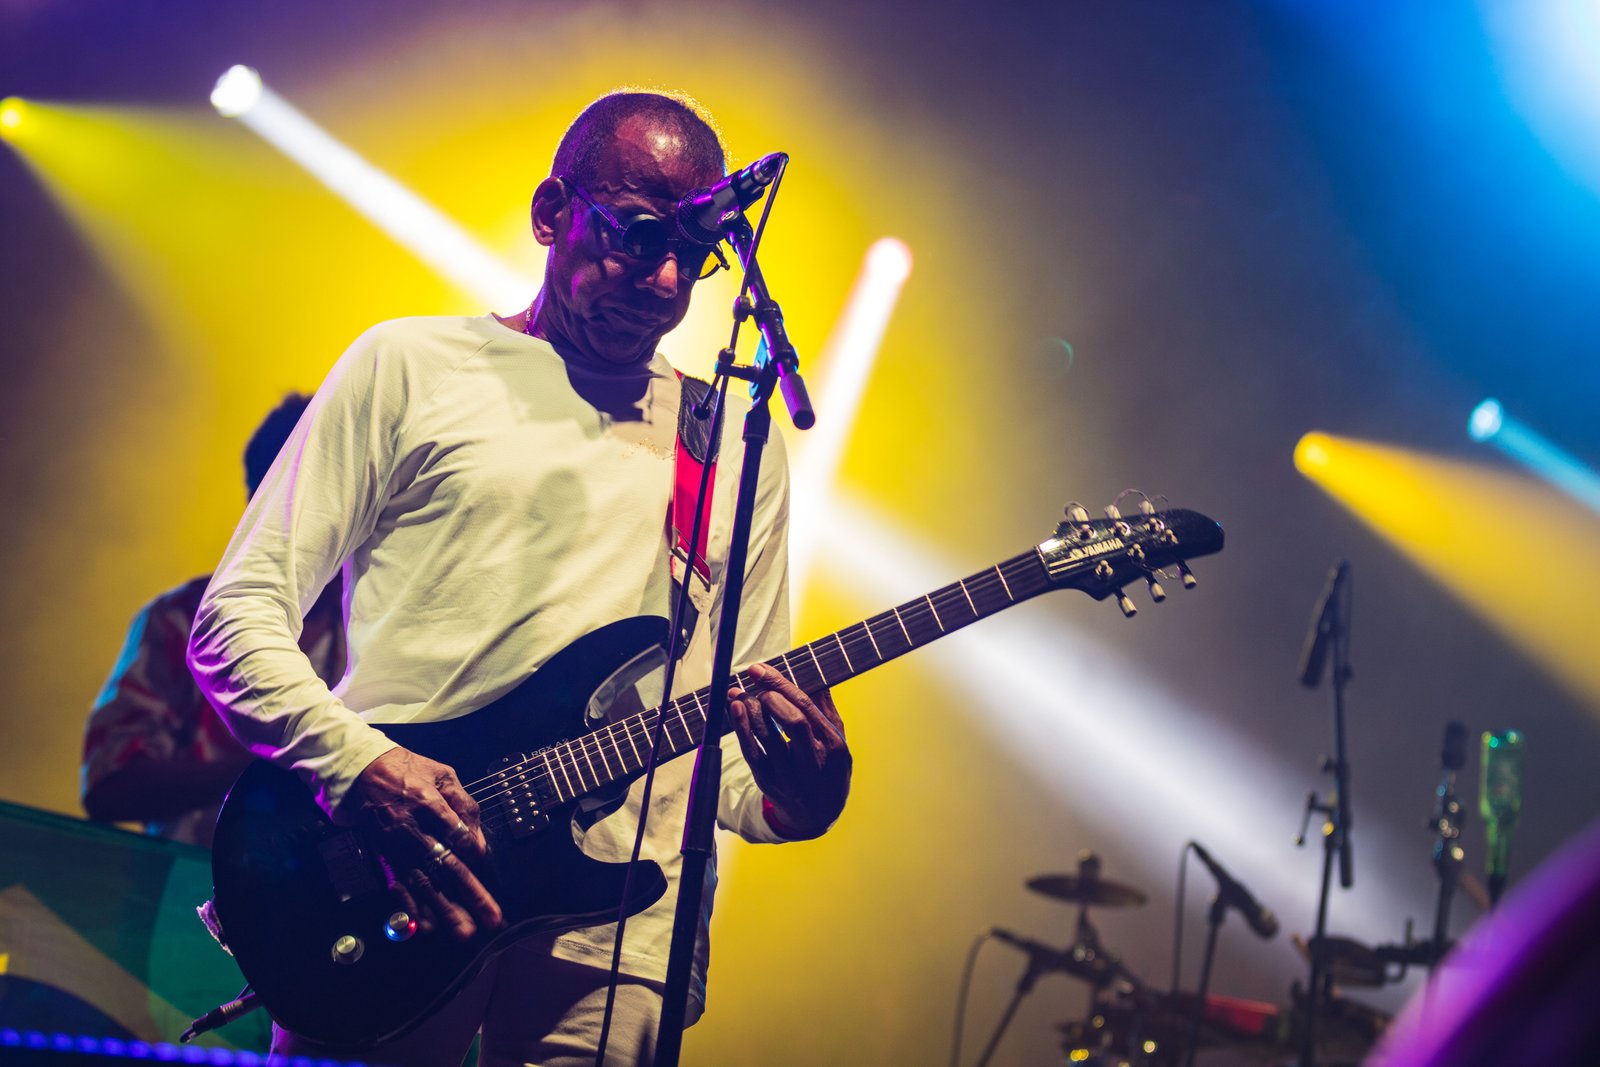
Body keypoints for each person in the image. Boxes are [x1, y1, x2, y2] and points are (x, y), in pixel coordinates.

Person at [187, 90, 852, 1065]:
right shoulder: (412, 364)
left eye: (695, 255)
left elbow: (734, 740)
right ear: (551, 213)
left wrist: (804, 792)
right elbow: (233, 621)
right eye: (634, 235)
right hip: (401, 870)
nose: (665, 278)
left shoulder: (726, 438)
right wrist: (360, 764)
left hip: (621, 922)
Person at [81, 393, 345, 848]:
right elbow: (109, 787)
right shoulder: (181, 618)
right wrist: (288, 767)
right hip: (187, 898)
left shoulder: (375, 625)